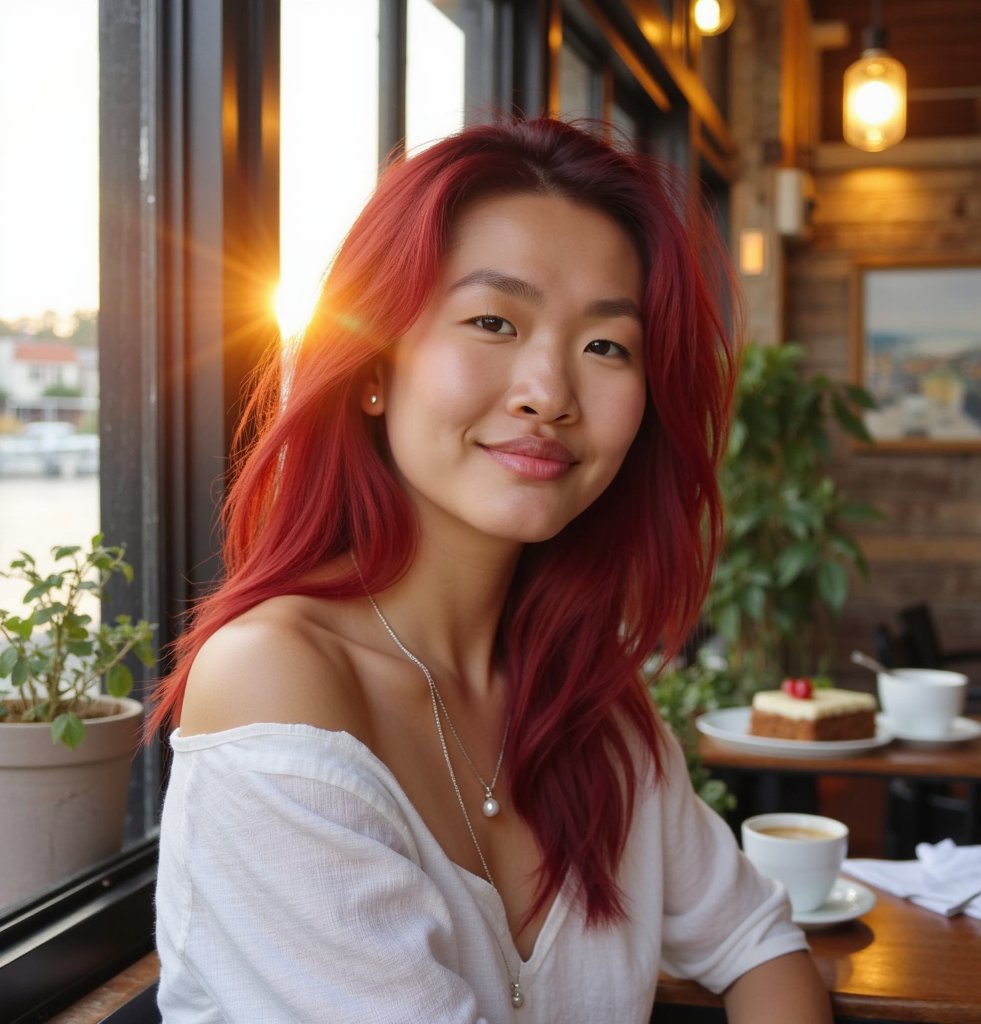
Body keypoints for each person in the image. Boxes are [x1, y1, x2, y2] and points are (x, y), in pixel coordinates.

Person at [150, 116, 832, 1023]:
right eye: (492, 321)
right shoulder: (276, 682)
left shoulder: (594, 706)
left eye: (606, 346)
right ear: (373, 367)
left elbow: (759, 947)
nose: (548, 392)